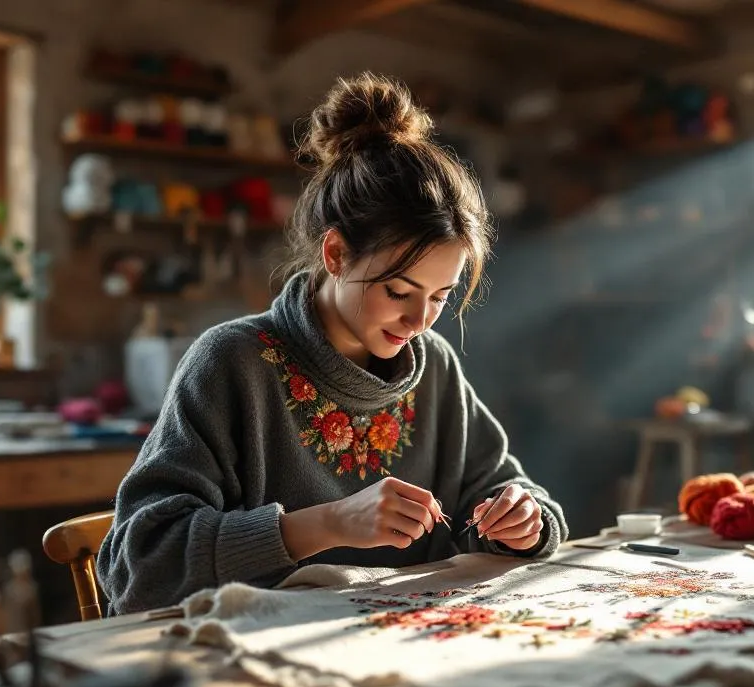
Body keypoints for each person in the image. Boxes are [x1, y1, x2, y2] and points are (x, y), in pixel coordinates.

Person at [97, 73, 569, 615]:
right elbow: (138, 564)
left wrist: (524, 521)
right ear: (336, 254)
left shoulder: (432, 367)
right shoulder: (234, 363)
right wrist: (324, 524)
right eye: (398, 290)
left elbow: (527, 500)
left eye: (440, 296)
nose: (419, 320)